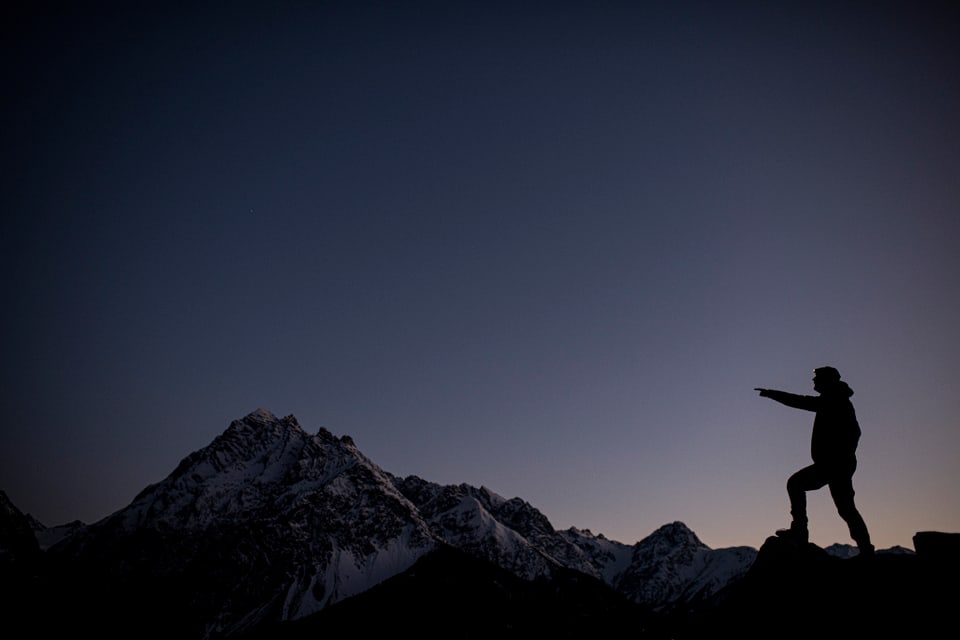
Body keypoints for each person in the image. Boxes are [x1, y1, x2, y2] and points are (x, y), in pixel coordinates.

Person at [755, 366, 874, 555]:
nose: (813, 381)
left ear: (827, 381)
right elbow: (854, 432)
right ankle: (865, 548)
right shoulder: (835, 400)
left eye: (817, 378)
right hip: (836, 464)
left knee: (798, 485)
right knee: (845, 508)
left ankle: (801, 533)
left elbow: (802, 402)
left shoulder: (834, 400)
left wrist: (772, 394)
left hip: (834, 465)